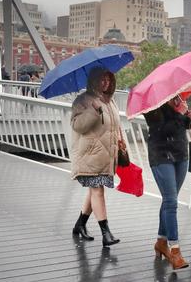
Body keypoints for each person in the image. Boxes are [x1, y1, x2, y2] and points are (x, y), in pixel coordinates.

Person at [143, 95, 191, 270]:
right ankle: (175, 251)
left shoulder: (177, 101)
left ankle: (160, 242)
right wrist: (178, 112)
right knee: (171, 202)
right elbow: (162, 130)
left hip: (181, 155)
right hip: (161, 156)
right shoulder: (152, 105)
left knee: (168, 200)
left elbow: (184, 126)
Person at [70, 67, 121, 248]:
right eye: (102, 79)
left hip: (106, 156)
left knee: (94, 191)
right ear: (93, 80)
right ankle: (106, 233)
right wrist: (93, 111)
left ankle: (80, 224)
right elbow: (77, 125)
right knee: (98, 191)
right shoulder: (83, 100)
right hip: (90, 155)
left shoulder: (110, 101)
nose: (105, 82)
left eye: (108, 79)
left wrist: (122, 147)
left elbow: (115, 128)